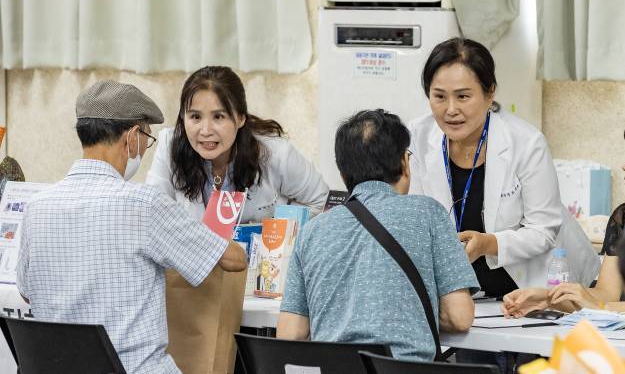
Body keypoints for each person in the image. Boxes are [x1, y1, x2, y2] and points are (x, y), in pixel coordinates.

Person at [16, 80, 247, 374]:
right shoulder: (143, 205)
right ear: (133, 137)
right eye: (147, 139)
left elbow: (26, 293)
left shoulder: (37, 206)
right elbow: (234, 260)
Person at [277, 109, 479, 361]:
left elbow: (290, 333)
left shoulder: (311, 231)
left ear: (343, 174)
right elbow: (459, 316)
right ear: (405, 163)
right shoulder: (429, 213)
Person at [408, 37, 564, 297]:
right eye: (439, 97)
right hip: (453, 294)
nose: (451, 110)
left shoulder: (525, 143)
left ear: (489, 93)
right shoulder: (416, 137)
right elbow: (412, 220)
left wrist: (489, 244)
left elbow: (544, 230)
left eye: (463, 97)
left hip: (520, 292)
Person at [146, 66, 329, 222]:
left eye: (218, 117)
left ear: (241, 118)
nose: (206, 130)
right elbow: (153, 214)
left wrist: (275, 231)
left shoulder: (276, 153)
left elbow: (323, 201)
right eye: (195, 117)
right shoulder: (170, 145)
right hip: (197, 261)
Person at [503, 203, 625, 317]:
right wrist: (547, 298)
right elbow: (608, 293)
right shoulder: (622, 216)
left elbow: (601, 305)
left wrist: (601, 308)